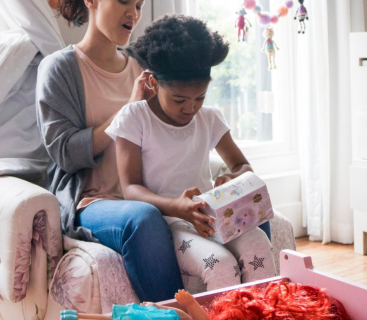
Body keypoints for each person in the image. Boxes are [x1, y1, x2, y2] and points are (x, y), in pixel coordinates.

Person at [36, 0, 182, 302]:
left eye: (138, 5)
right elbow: (65, 154)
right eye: (122, 0)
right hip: (94, 202)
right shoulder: (60, 69)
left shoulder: (141, 62)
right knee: (143, 219)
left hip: (148, 191)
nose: (133, 13)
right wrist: (129, 109)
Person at [106, 15, 276, 291]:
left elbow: (243, 165)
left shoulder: (210, 118)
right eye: (179, 100)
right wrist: (178, 207)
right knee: (219, 263)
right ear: (153, 83)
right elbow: (131, 188)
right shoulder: (134, 118)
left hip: (214, 218)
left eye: (200, 98)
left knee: (258, 244)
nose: (190, 108)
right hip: (172, 224)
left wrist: (233, 178)